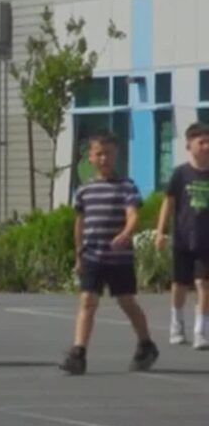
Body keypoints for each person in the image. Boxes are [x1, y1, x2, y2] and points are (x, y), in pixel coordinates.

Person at [63, 131, 159, 375]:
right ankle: (78, 353)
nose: (104, 159)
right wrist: (78, 254)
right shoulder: (84, 190)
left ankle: (146, 343)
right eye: (99, 154)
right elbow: (80, 223)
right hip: (92, 254)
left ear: (115, 155)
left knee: (126, 301)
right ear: (91, 158)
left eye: (108, 154)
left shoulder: (126, 186)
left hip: (119, 257)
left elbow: (133, 213)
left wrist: (127, 232)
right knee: (87, 301)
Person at [156, 122, 209, 350]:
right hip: (183, 239)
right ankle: (176, 324)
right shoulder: (180, 174)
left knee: (204, 284)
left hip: (206, 241)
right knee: (179, 284)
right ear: (189, 145)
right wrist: (160, 231)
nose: (206, 146)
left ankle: (201, 331)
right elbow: (168, 203)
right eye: (202, 142)